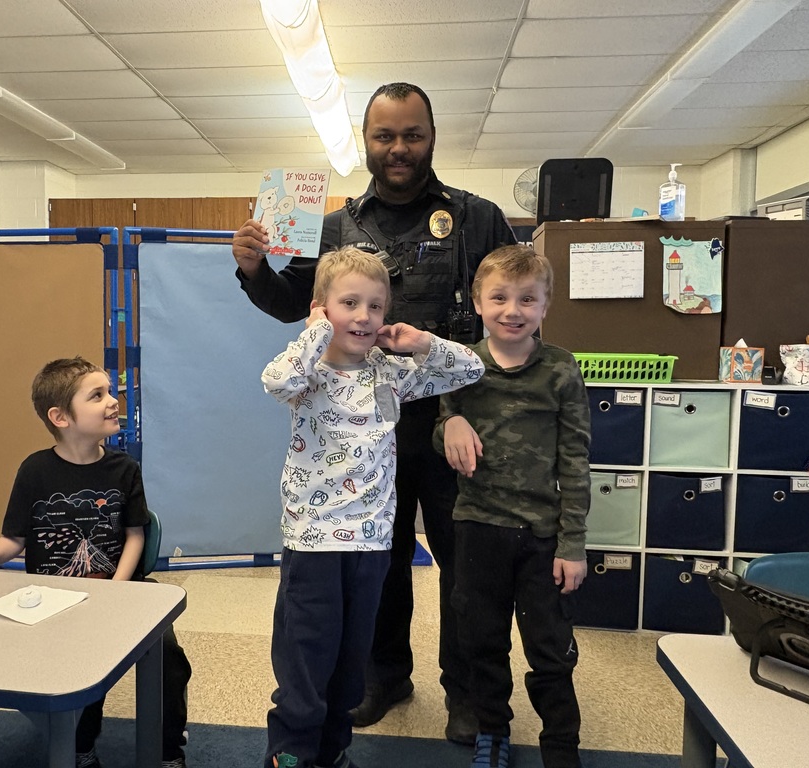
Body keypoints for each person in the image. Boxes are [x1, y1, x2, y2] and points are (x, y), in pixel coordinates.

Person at [233, 81, 515, 742]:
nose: (398, 148)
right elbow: (295, 305)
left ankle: (466, 692)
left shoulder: (478, 218)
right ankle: (383, 676)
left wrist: (470, 408)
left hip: (453, 422)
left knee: (465, 567)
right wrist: (252, 270)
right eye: (384, 135)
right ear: (366, 141)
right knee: (378, 561)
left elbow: (505, 322)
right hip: (365, 431)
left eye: (411, 134)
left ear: (432, 136)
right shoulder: (336, 227)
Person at [260, 247, 484, 768]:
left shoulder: (389, 371)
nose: (363, 317)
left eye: (376, 306)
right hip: (315, 540)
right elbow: (276, 382)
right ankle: (289, 757)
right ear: (322, 307)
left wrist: (421, 342)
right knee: (305, 661)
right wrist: (315, 331)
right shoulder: (308, 370)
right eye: (350, 303)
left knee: (349, 664)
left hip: (373, 543)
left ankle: (333, 751)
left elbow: (469, 369)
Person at [0, 357, 192, 768]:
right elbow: (14, 538)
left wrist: (116, 587)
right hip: (52, 598)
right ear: (60, 417)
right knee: (77, 665)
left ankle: (166, 751)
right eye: (98, 395)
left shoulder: (124, 469)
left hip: (121, 589)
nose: (114, 401)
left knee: (166, 655)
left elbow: (135, 535)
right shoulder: (35, 471)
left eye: (111, 391)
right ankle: (80, 747)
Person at [434, 245, 590, 768]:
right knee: (482, 641)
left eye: (528, 299)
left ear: (546, 306)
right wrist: (449, 423)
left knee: (550, 647)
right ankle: (492, 732)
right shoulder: (461, 365)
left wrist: (572, 543)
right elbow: (441, 431)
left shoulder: (561, 370)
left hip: (543, 534)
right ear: (478, 302)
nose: (512, 310)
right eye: (499, 297)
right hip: (478, 527)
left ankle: (561, 745)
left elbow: (575, 460)